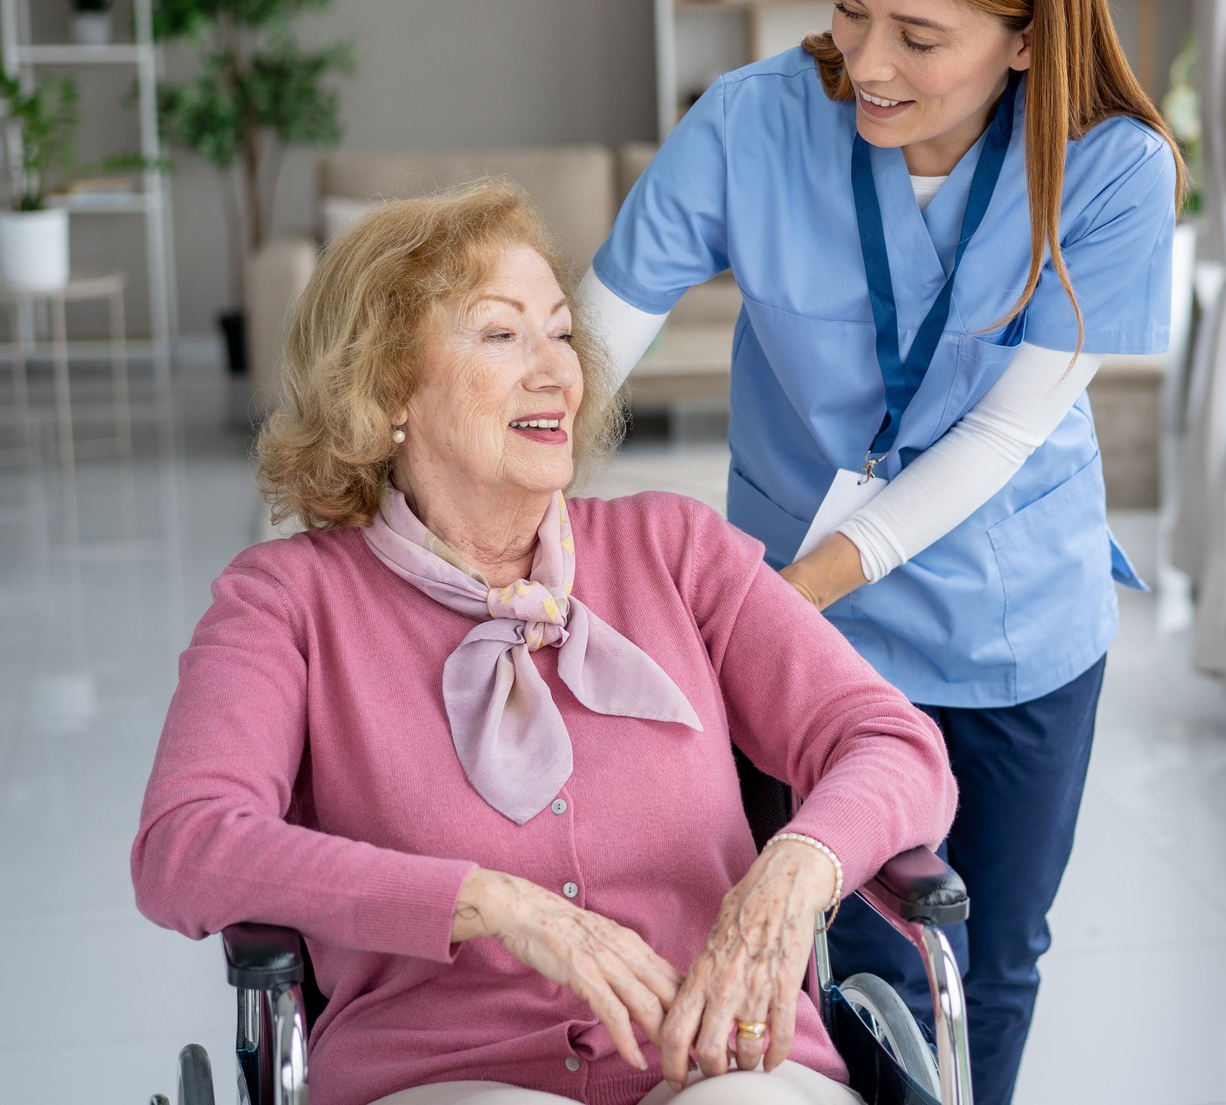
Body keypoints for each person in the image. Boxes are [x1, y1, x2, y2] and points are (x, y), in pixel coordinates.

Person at [580, 0, 1185, 1101]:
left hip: (1007, 623)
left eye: (922, 35)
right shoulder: (752, 120)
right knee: (830, 947)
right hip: (798, 627)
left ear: (1027, 36)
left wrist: (773, 599)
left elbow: (1000, 436)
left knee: (992, 950)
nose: (865, 62)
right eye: (851, 11)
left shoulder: (1112, 168)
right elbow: (589, 346)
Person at [131, 182, 958, 1105]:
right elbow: (187, 847)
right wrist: (483, 903)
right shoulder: (289, 600)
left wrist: (797, 870)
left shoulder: (673, 550)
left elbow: (894, 743)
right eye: (500, 334)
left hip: (724, 1053)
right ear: (385, 389)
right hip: (447, 1070)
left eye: (561, 334)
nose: (557, 372)